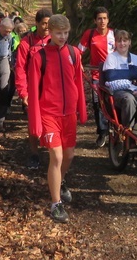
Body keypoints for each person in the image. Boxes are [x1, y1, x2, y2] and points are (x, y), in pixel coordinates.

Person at [27, 14, 87, 223]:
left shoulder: (74, 53)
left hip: (69, 114)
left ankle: (59, 182)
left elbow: (78, 82)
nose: (62, 37)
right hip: (48, 113)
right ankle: (56, 203)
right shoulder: (39, 56)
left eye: (65, 33)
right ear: (50, 32)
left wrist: (82, 109)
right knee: (57, 156)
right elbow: (33, 91)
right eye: (58, 33)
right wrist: (35, 121)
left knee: (69, 155)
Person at [15, 8, 53, 169]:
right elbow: (20, 69)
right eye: (43, 23)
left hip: (52, 89)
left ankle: (53, 153)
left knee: (51, 122)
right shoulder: (26, 43)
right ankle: (34, 153)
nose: (46, 27)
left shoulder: (56, 40)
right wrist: (23, 92)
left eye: (49, 24)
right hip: (34, 90)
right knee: (33, 124)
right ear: (36, 24)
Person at [78, 6, 115, 148]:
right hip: (96, 75)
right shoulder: (90, 34)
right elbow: (78, 51)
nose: (102, 21)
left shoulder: (114, 34)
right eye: (99, 18)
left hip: (113, 74)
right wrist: (79, 63)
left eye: (105, 18)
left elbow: (122, 52)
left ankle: (115, 128)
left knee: (112, 101)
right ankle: (102, 131)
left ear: (108, 20)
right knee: (97, 102)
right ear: (95, 20)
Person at [102, 30, 137, 129]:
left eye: (125, 40)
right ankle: (128, 131)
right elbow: (110, 76)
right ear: (115, 43)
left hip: (134, 89)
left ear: (129, 42)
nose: (122, 43)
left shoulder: (136, 59)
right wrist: (132, 73)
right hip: (117, 92)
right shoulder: (111, 57)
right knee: (128, 99)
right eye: (119, 41)